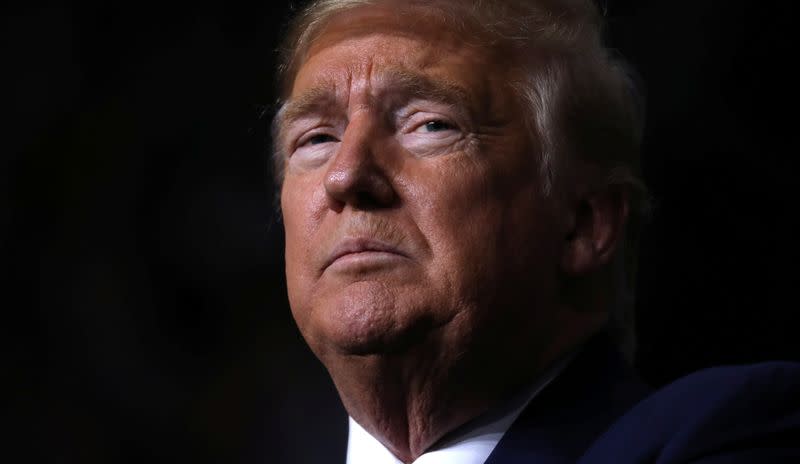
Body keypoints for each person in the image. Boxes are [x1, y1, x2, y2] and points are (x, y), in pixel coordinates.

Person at [271, 0, 800, 462]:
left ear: (583, 223)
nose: (346, 175)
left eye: (431, 125)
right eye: (316, 138)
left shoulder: (726, 434)